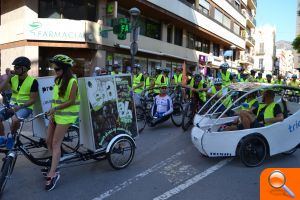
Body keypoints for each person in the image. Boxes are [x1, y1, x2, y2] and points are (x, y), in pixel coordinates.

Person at [45, 54, 80, 191]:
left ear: (65, 69)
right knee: (48, 141)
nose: (56, 71)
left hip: (66, 116)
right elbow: (55, 99)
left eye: (58, 69)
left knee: (55, 143)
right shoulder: (57, 80)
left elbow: (71, 101)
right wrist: (52, 111)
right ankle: (55, 161)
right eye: (54, 69)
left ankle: (53, 173)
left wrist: (56, 108)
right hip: (56, 114)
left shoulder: (72, 82)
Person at [0, 56, 38, 146]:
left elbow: (33, 99)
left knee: (15, 120)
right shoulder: (13, 79)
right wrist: (8, 77)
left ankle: (11, 137)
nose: (14, 69)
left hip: (25, 107)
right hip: (12, 106)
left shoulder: (33, 81)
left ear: (24, 68)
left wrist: (19, 107)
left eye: (17, 67)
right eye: (14, 67)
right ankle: (2, 138)